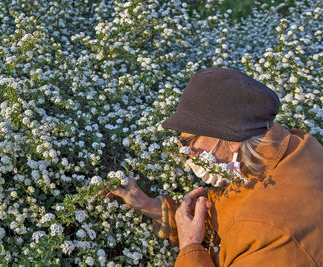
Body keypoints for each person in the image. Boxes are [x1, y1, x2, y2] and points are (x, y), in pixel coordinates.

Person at [103, 68, 323, 266]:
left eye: (188, 141)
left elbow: (250, 223)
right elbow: (233, 211)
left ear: (232, 138)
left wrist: (190, 248)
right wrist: (148, 205)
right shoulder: (296, 148)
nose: (184, 152)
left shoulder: (268, 231)